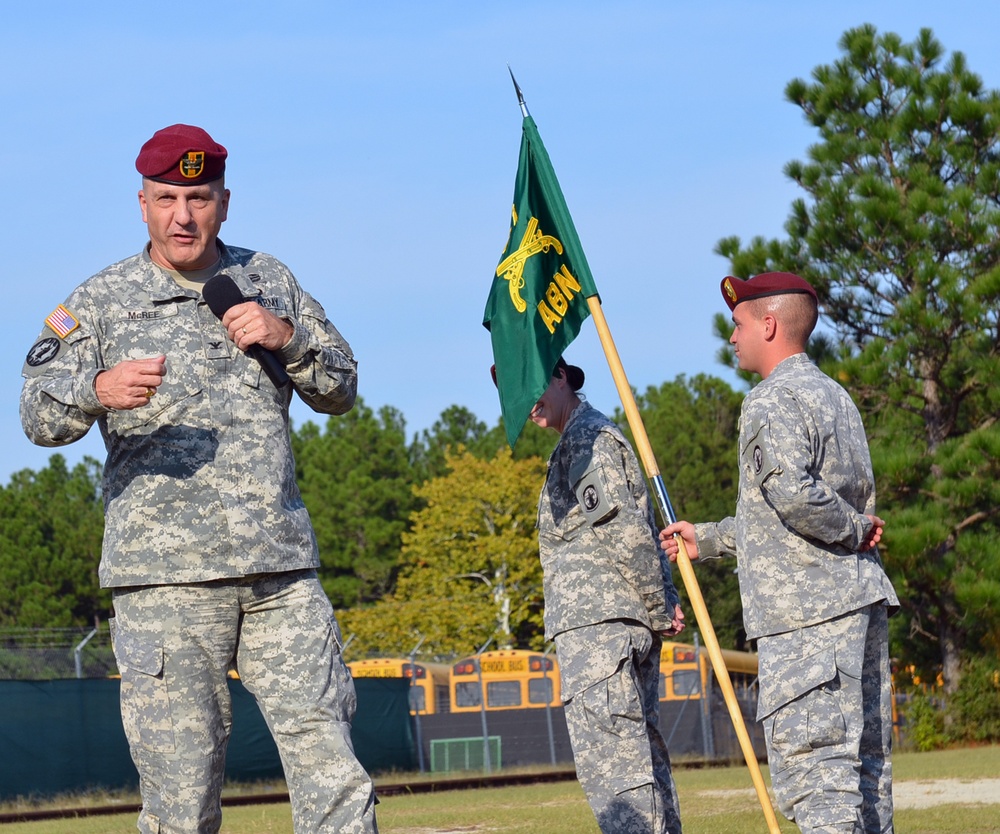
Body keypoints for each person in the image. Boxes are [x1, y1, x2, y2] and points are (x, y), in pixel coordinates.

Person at [20, 124, 378, 834]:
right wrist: (95, 386)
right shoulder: (98, 302)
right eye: (166, 198)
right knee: (181, 801)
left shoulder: (268, 279)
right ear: (142, 204)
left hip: (281, 578)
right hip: (165, 587)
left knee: (334, 775)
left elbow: (342, 387)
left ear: (224, 201)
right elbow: (35, 412)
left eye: (199, 197)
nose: (183, 215)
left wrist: (289, 338)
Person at [659, 272, 898, 834]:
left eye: (738, 324)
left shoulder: (771, 400)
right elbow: (779, 519)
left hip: (807, 618)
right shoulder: (835, 398)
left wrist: (854, 528)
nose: (732, 337)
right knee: (865, 778)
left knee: (820, 778)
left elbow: (793, 494)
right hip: (855, 604)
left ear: (769, 325)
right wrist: (709, 539)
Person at [520, 356, 686, 834]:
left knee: (621, 782)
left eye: (530, 387)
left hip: (601, 636)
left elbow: (627, 531)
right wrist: (664, 600)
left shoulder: (586, 439)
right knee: (640, 772)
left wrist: (659, 606)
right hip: (611, 629)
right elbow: (642, 528)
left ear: (560, 376)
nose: (525, 406)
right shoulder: (581, 439)